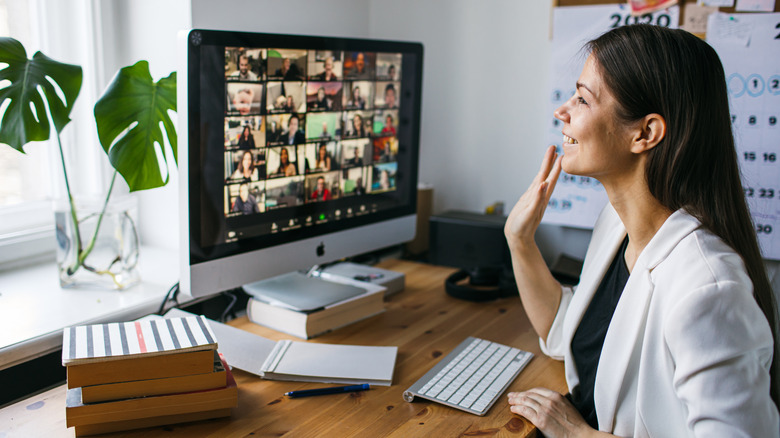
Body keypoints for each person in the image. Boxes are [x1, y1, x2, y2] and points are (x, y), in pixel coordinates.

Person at [503, 25, 778, 437]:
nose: (563, 111)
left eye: (582, 98)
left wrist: (578, 434)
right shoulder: (616, 225)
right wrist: (520, 241)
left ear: (645, 133)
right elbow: (566, 331)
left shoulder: (708, 287)